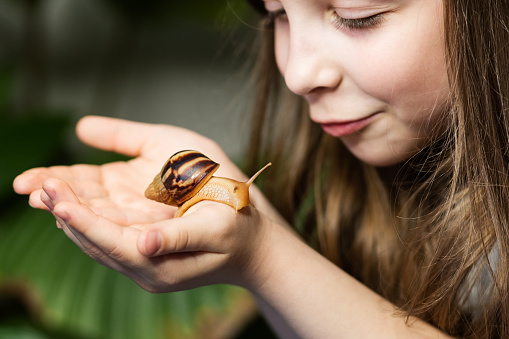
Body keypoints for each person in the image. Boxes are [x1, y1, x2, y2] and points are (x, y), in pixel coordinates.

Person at [13, 0, 509, 337]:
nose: (296, 73)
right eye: (277, 15)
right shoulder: (380, 192)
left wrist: (268, 259)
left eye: (358, 15)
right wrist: (257, 248)